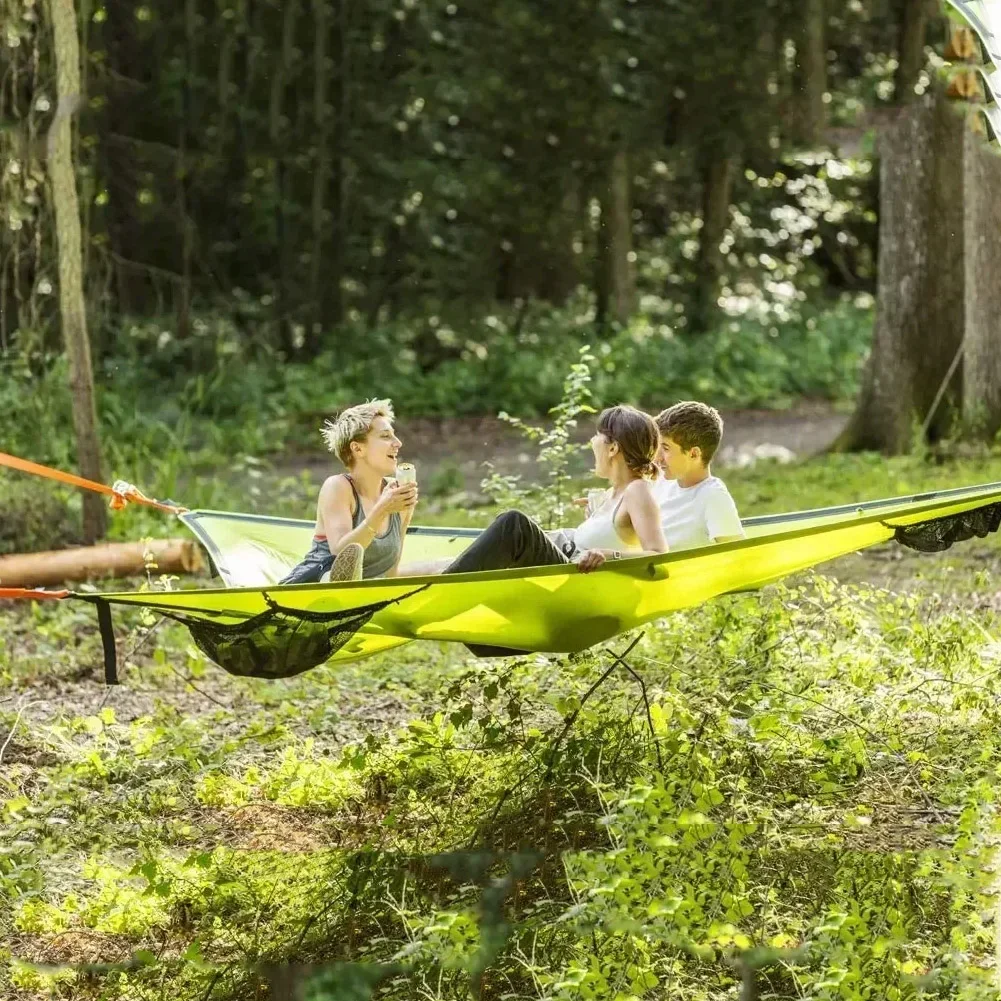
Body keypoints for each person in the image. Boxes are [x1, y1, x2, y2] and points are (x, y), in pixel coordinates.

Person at [443, 405, 668, 578]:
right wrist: (595, 515)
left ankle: (444, 590)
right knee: (451, 562)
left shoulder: (637, 490)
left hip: (571, 581)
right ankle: (435, 581)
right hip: (566, 563)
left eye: (597, 435)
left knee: (514, 523)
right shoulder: (611, 495)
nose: (592, 441)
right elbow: (610, 534)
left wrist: (610, 556)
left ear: (613, 448)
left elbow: (660, 561)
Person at [280, 399, 418, 584]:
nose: (398, 443)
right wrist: (383, 509)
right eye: (386, 436)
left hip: (368, 587)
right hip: (316, 583)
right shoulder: (338, 487)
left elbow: (391, 570)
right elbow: (341, 551)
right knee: (341, 570)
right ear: (357, 448)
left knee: (444, 567)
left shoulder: (396, 493)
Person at [651, 401, 744, 550]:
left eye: (666, 448)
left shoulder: (713, 496)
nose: (657, 458)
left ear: (694, 454)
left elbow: (739, 555)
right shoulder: (659, 483)